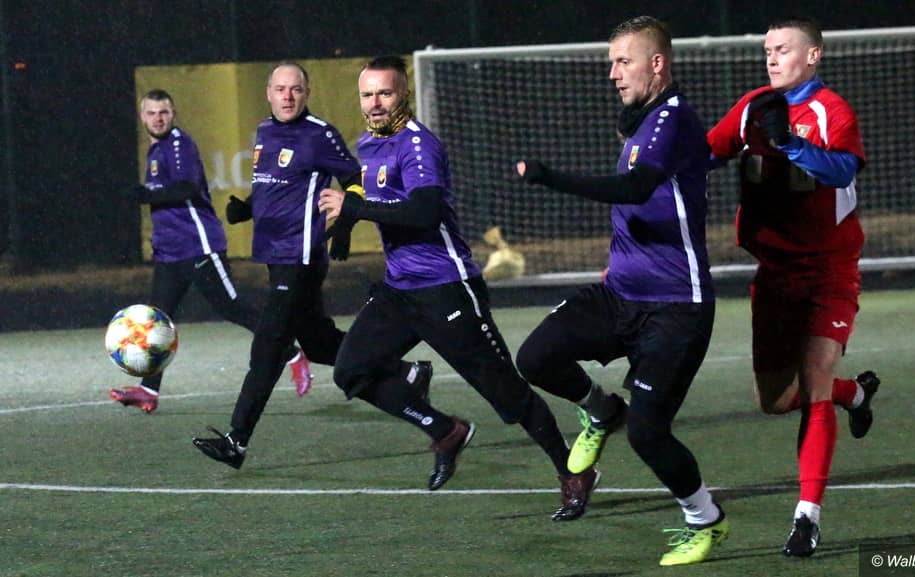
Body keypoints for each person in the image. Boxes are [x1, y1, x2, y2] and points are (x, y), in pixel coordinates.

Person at [317, 55, 598, 520]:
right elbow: (367, 196)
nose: (375, 103)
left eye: (385, 93)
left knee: (507, 393)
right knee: (351, 371)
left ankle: (573, 471)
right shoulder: (367, 145)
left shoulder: (418, 143)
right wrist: (345, 224)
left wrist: (355, 212)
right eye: (367, 94)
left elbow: (425, 212)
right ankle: (444, 430)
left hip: (447, 288)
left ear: (403, 94)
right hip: (400, 290)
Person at [515, 16, 727, 566]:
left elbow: (635, 188)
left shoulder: (673, 117)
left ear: (657, 63)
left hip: (676, 307)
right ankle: (601, 410)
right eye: (611, 62)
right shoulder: (642, 121)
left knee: (649, 434)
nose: (612, 73)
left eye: (623, 61)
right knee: (535, 357)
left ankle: (705, 518)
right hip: (620, 295)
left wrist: (552, 177)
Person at [191, 62, 431, 467]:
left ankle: (237, 441)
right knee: (319, 343)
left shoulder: (319, 134)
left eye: (296, 89)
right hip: (275, 256)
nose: (287, 96)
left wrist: (346, 224)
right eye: (280, 89)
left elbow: (355, 178)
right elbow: (274, 185)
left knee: (268, 345)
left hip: (301, 258)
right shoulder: (264, 132)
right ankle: (408, 373)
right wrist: (247, 209)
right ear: (268, 93)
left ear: (307, 93)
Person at [706, 17, 880, 558]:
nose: (772, 58)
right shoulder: (752, 106)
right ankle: (854, 393)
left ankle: (807, 518)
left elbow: (842, 170)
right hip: (775, 274)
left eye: (782, 49)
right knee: (776, 400)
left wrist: (789, 143)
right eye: (767, 50)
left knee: (814, 381)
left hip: (828, 271)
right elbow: (708, 152)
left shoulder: (831, 111)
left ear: (813, 55)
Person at [110, 89, 312, 413]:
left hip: (199, 246)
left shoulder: (179, 144)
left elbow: (186, 188)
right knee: (156, 319)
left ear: (173, 114)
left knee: (233, 307)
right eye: (151, 113)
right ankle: (148, 390)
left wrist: (145, 194)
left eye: (163, 112)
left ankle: (292, 353)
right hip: (170, 253)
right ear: (142, 116)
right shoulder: (156, 149)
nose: (158, 118)